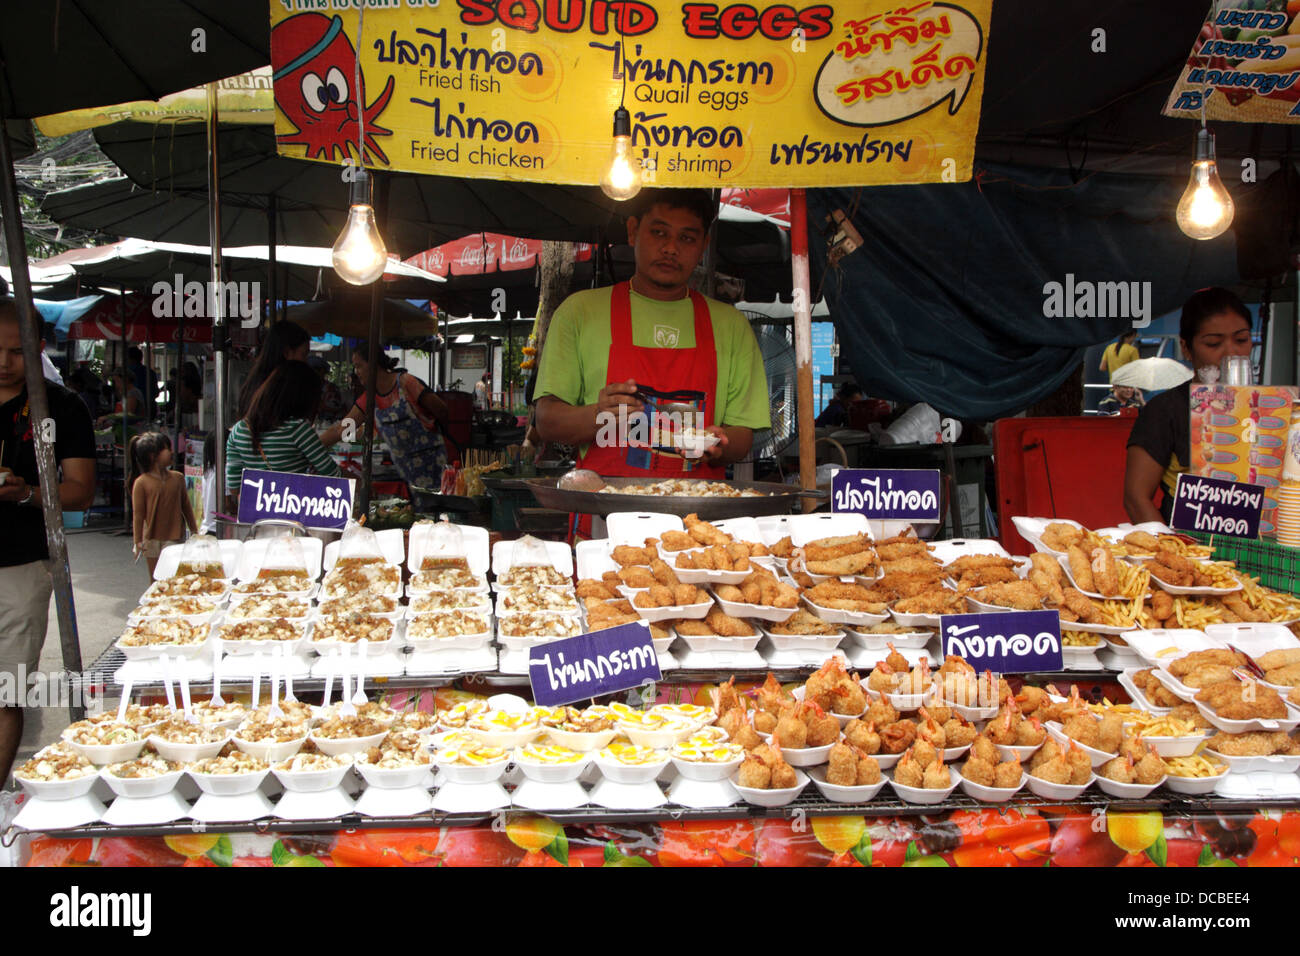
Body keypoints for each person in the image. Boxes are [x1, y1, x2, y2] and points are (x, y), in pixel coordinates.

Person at [533, 188, 771, 536]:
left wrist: (721, 444)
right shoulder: (580, 313)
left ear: (703, 244)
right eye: (659, 232)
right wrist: (600, 415)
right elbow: (547, 421)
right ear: (632, 231)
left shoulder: (730, 326)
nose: (671, 248)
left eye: (686, 238)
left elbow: (743, 436)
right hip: (603, 529)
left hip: (699, 533)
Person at [0, 298, 95, 784]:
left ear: (38, 348)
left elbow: (80, 491)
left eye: (16, 352)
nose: (3, 362)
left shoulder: (61, 406)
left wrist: (28, 493)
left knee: (6, 691)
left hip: (22, 563)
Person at [1124, 287, 1253, 524]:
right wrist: (1174, 555)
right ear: (1186, 348)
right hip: (1189, 546)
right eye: (1214, 343)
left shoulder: (1272, 406)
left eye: (1242, 339)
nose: (1231, 353)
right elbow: (1136, 498)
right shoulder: (1165, 410)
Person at [319, 343, 449, 489]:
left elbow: (442, 411)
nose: (356, 372)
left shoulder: (406, 382)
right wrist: (312, 447)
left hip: (432, 465)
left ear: (374, 364)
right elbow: (341, 429)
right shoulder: (369, 398)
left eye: (359, 366)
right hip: (403, 470)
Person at [225, 360, 340, 508]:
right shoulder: (298, 429)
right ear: (302, 397)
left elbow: (234, 487)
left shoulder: (238, 430)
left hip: (255, 521)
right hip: (293, 518)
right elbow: (333, 476)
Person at [128, 431, 197, 577]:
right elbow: (138, 515)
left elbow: (186, 507)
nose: (172, 452)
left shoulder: (178, 478)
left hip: (174, 537)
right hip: (151, 540)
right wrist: (137, 541)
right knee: (156, 579)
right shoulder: (141, 482)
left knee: (174, 577)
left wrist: (194, 531)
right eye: (167, 449)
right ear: (153, 456)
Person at [235, 319, 311, 419]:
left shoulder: (254, 382)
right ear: (287, 353)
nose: (306, 362)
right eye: (304, 354)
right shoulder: (281, 391)